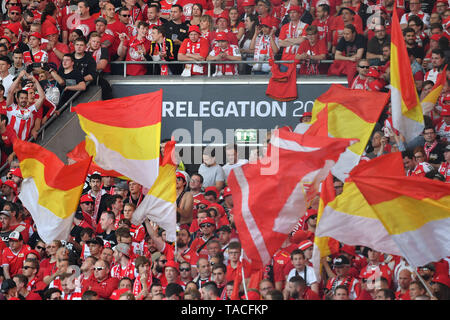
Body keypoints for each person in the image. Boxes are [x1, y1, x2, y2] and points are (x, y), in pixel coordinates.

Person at [164, 4, 190, 75]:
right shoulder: (165, 26)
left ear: (181, 13)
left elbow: (189, 44)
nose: (172, 14)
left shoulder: (186, 27)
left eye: (175, 12)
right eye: (171, 12)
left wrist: (181, 43)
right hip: (168, 59)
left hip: (182, 59)